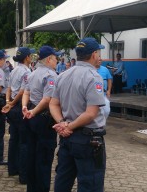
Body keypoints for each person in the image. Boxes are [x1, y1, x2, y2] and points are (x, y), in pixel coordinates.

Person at [49, 37, 106, 192]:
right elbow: (91, 113)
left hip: (67, 138)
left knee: (63, 180)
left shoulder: (63, 75)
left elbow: (53, 104)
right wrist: (69, 126)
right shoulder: (94, 77)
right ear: (94, 54)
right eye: (98, 53)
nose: (99, 57)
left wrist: (62, 123)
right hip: (88, 141)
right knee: (90, 184)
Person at [22, 45, 61, 192]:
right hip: (43, 119)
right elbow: (47, 100)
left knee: (32, 154)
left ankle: (31, 188)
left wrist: (25, 108)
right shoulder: (51, 75)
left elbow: (26, 92)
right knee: (44, 158)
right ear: (49, 59)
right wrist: (33, 112)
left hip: (31, 116)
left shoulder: (32, 73)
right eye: (55, 58)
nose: (57, 60)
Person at [1, 47, 35, 184]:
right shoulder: (27, 71)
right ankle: (23, 175)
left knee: (14, 139)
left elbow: (8, 88)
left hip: (12, 107)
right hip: (20, 106)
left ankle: (12, 168)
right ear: (27, 57)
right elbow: (22, 91)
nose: (31, 57)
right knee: (24, 142)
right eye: (30, 55)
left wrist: (8, 102)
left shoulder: (14, 69)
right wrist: (13, 103)